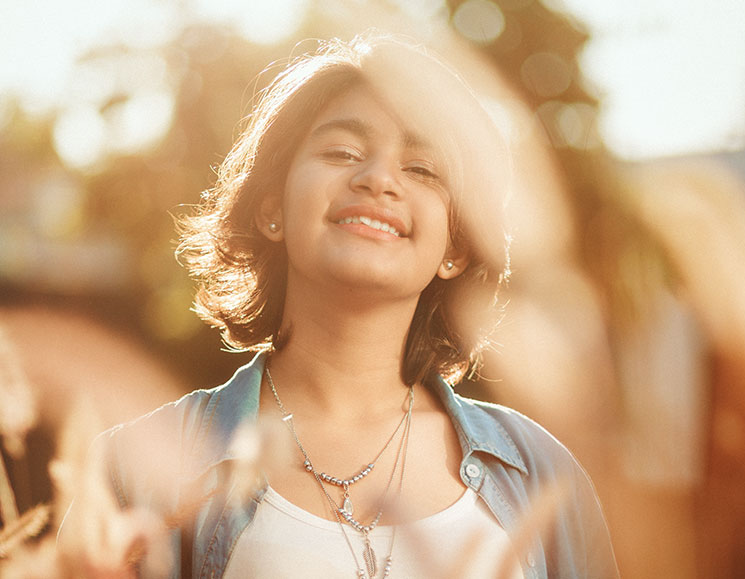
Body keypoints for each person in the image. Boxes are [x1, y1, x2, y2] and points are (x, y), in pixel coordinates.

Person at [59, 33, 619, 578]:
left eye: (422, 169)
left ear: (454, 247)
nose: (378, 179)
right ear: (271, 208)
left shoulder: (543, 473)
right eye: (342, 151)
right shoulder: (133, 470)